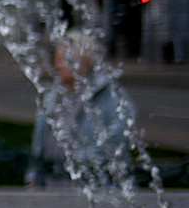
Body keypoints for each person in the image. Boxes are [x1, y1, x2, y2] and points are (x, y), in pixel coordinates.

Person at [30, 35, 138, 187]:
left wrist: (79, 158)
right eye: (56, 61)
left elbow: (117, 137)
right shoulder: (52, 96)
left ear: (83, 64)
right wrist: (33, 178)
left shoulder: (110, 94)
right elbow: (39, 143)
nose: (57, 67)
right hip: (55, 184)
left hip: (101, 187)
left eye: (62, 61)